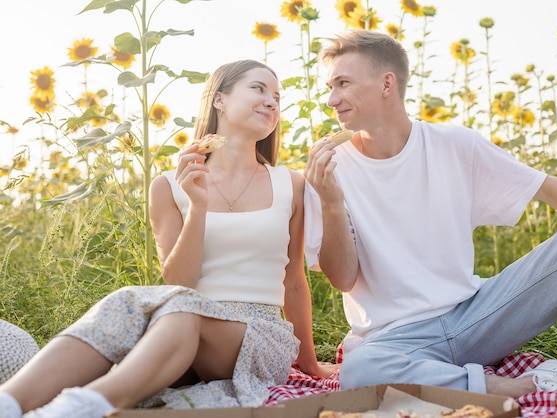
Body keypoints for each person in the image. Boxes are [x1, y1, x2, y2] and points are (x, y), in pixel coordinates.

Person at [0, 59, 336, 418]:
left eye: (277, 97)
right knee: (131, 300)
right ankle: (10, 402)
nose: (271, 101)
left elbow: (294, 282)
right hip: (180, 321)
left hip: (261, 334)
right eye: (258, 88)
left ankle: (79, 408)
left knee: (179, 312)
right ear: (218, 99)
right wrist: (197, 206)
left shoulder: (292, 184)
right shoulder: (167, 186)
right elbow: (179, 282)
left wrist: (310, 364)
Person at [303, 29, 557, 399]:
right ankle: (514, 385)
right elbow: (343, 279)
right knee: (359, 369)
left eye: (342, 83)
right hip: (395, 339)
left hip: (478, 316)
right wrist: (329, 200)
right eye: (330, 86)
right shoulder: (327, 168)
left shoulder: (455, 144)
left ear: (386, 84)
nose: (331, 99)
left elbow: (550, 189)